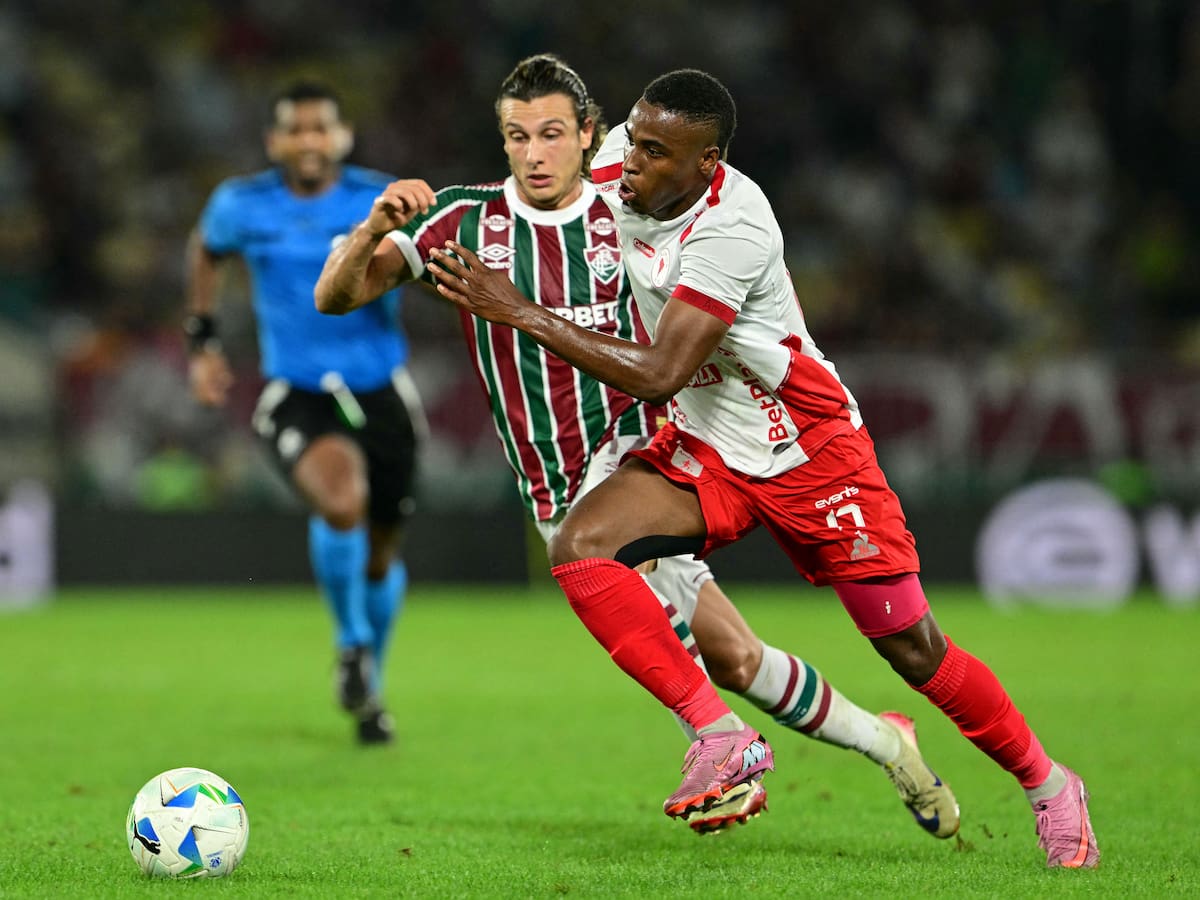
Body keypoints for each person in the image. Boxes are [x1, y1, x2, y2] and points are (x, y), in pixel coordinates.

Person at [422, 67, 1100, 868]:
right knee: (582, 546)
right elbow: (546, 167)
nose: (626, 162)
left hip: (808, 452)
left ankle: (1050, 784)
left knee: (914, 650)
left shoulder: (735, 228)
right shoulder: (615, 163)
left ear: (705, 165)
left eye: (652, 152)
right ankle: (720, 737)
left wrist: (519, 310)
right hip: (708, 446)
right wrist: (418, 200)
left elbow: (658, 373)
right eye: (629, 139)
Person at [315, 54, 959, 837]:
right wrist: (376, 230)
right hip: (549, 484)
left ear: (591, 135)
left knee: (645, 590)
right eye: (518, 136)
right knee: (734, 659)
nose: (535, 153)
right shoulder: (462, 222)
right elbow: (337, 296)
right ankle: (887, 741)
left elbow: (698, 323)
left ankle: (722, 748)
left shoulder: (631, 214)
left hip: (644, 456)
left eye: (553, 133)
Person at [184, 80, 424, 745]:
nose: (310, 141)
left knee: (381, 554)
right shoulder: (243, 204)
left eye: (321, 129)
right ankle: (350, 644)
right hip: (297, 391)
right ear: (276, 141)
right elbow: (206, 246)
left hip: (381, 390)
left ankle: (370, 683)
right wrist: (202, 341)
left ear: (341, 137)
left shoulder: (378, 198)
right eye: (297, 129)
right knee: (340, 501)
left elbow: (428, 254)